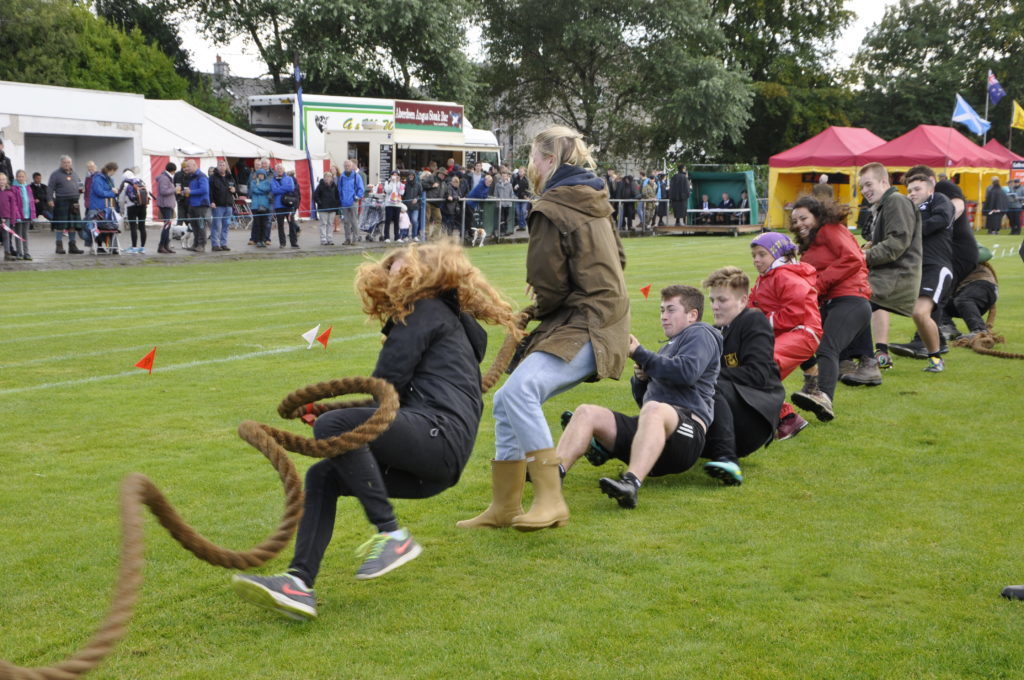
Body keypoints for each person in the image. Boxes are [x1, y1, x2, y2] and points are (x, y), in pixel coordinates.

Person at [231, 241, 523, 621]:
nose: (391, 275)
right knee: (323, 476)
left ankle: (391, 535)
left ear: (423, 277)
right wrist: (331, 408)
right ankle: (298, 584)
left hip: (436, 437)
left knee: (333, 427)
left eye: (400, 269)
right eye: (390, 269)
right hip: (438, 459)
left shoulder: (422, 311)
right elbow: (394, 399)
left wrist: (334, 416)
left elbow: (385, 387)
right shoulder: (448, 319)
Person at [458, 125, 629, 531]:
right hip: (603, 318)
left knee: (520, 392)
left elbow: (547, 281)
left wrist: (541, 303)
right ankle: (505, 506)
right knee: (506, 401)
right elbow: (619, 259)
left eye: (533, 157)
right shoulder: (596, 198)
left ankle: (550, 499)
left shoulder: (551, 206)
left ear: (549, 161)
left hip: (586, 323)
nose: (528, 166)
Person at [556, 285, 721, 507]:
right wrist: (642, 381)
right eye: (661, 310)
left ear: (692, 315)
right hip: (655, 433)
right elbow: (645, 402)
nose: (664, 316)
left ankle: (630, 484)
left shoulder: (701, 333)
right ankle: (552, 475)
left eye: (671, 310)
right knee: (586, 412)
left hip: (687, 435)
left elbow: (687, 373)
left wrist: (641, 354)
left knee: (654, 409)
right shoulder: (667, 349)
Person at [786, 195, 871, 422]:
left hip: (850, 299)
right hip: (830, 302)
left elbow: (854, 258)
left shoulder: (829, 230)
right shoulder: (811, 243)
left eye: (804, 218)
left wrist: (818, 284)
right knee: (798, 335)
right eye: (795, 220)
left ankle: (823, 397)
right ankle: (812, 383)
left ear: (818, 216)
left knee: (827, 348)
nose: (799, 224)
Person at [700, 267, 785, 484]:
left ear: (743, 300)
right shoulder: (715, 330)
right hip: (729, 412)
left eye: (722, 300)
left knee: (710, 383)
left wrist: (707, 376)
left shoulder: (753, 321)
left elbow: (757, 374)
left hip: (756, 416)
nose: (715, 306)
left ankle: (728, 459)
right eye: (712, 300)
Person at [840, 162, 921, 387]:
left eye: (868, 184)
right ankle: (847, 359)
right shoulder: (885, 205)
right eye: (861, 186)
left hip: (897, 275)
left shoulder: (896, 201)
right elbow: (888, 240)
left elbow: (897, 242)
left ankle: (865, 364)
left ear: (884, 182)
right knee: (848, 299)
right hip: (888, 272)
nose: (865, 190)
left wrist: (862, 257)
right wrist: (867, 246)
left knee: (854, 300)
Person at [748, 232, 821, 440]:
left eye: (762, 254)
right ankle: (785, 419)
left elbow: (795, 313)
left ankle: (786, 419)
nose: (756, 260)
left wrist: (759, 322)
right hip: (789, 332)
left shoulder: (784, 275)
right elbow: (752, 305)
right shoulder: (766, 278)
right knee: (751, 369)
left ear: (778, 253)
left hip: (803, 332)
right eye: (753, 255)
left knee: (761, 368)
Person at [888, 167, 954, 372]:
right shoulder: (908, 210)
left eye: (917, 189)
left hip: (937, 267)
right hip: (913, 270)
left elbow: (942, 219)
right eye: (909, 190)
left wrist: (910, 232)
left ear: (930, 189)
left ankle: (936, 359)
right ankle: (875, 353)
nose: (912, 193)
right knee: (875, 304)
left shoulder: (939, 200)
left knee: (919, 312)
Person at [946, 246, 998, 339]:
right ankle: (947, 328)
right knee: (935, 302)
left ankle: (980, 330)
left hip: (981, 284)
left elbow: (984, 253)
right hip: (965, 290)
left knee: (964, 300)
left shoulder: (958, 242)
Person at [46, 155, 86, 254]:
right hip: (61, 201)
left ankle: (72, 246)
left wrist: (81, 190)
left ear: (71, 163)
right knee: (60, 224)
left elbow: (81, 185)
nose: (67, 164)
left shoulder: (75, 174)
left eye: (68, 162)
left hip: (74, 202)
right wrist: (50, 199)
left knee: (72, 225)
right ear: (61, 163)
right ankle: (59, 246)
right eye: (65, 162)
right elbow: (50, 188)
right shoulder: (55, 174)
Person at [1, 171, 34, 261]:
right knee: (17, 234)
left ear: (25, 177)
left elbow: (31, 201)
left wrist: (32, 214)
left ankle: (26, 252)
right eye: (19, 176)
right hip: (18, 216)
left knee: (25, 234)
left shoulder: (28, 188)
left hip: (27, 215)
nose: (21, 178)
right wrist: (16, 216)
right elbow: (14, 204)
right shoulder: (13, 188)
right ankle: (19, 252)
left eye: (22, 176)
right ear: (16, 177)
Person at [118, 169, 149, 254]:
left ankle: (134, 247)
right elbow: (147, 193)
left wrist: (121, 210)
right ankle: (142, 247)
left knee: (133, 227)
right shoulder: (140, 181)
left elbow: (121, 198)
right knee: (142, 226)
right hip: (143, 206)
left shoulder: (125, 183)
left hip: (131, 206)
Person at [209, 159, 237, 252]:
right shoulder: (213, 177)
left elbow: (235, 188)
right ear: (217, 166)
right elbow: (210, 191)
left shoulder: (230, 177)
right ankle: (215, 244)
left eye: (223, 165)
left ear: (226, 166)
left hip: (228, 204)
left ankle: (224, 244)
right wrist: (211, 201)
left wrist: (234, 190)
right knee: (216, 225)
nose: (222, 166)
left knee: (226, 225)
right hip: (218, 205)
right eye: (220, 165)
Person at [183, 159, 211, 252]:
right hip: (193, 204)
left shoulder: (201, 176)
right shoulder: (192, 176)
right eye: (186, 166)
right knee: (194, 226)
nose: (186, 168)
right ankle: (195, 244)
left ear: (194, 165)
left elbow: (204, 190)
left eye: (188, 166)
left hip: (201, 204)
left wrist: (191, 192)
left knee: (201, 225)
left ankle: (201, 245)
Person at [270, 164, 299, 249]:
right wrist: (284, 188)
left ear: (283, 169)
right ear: (276, 170)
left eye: (280, 168)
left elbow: (291, 188)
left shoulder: (289, 178)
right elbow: (274, 190)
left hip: (288, 205)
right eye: (278, 169)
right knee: (280, 225)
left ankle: (294, 243)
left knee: (292, 224)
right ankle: (282, 243)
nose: (279, 170)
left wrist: (280, 188)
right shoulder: (273, 180)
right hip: (279, 206)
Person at [337, 159, 365, 246]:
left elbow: (361, 188)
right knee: (346, 222)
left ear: (352, 166)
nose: (346, 167)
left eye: (348, 165)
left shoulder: (357, 176)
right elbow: (339, 189)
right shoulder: (342, 177)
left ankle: (355, 239)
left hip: (353, 202)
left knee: (354, 221)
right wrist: (341, 199)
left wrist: (357, 197)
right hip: (344, 202)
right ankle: (347, 239)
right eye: (345, 166)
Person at [154, 162, 177, 254]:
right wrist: (174, 189)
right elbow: (163, 191)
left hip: (168, 204)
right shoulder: (164, 178)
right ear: (173, 170)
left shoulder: (167, 178)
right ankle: (161, 246)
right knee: (166, 226)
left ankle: (166, 245)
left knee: (168, 226)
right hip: (165, 205)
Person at [313, 171, 339, 246]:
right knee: (323, 223)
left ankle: (330, 239)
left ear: (331, 178)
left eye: (329, 177)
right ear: (324, 178)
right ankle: (323, 239)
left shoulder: (334, 186)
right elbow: (315, 196)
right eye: (326, 177)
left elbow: (337, 196)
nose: (328, 178)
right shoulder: (320, 186)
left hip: (332, 208)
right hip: (323, 208)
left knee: (330, 224)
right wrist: (320, 202)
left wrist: (336, 204)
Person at [248, 166, 272, 247]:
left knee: (264, 224)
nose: (261, 176)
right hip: (255, 206)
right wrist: (261, 189)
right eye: (259, 174)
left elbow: (267, 189)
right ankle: (258, 240)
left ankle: (263, 240)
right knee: (257, 224)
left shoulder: (267, 182)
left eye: (262, 174)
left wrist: (258, 187)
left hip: (265, 206)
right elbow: (253, 190)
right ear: (257, 175)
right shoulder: (253, 182)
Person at [382, 171, 404, 243]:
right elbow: (388, 190)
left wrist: (397, 183)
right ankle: (386, 237)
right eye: (393, 175)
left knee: (396, 221)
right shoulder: (387, 182)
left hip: (397, 204)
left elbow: (401, 192)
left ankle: (397, 237)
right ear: (391, 176)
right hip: (389, 204)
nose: (395, 176)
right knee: (388, 220)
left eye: (396, 175)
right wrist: (392, 182)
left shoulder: (400, 183)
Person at [512, 166, 530, 230]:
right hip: (517, 197)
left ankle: (523, 225)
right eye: (519, 171)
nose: (520, 172)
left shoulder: (526, 180)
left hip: (524, 198)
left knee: (523, 211)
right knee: (518, 212)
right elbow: (513, 187)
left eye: (521, 171)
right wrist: (514, 188)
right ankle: (521, 225)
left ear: (524, 172)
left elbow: (528, 189)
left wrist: (526, 195)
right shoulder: (515, 179)